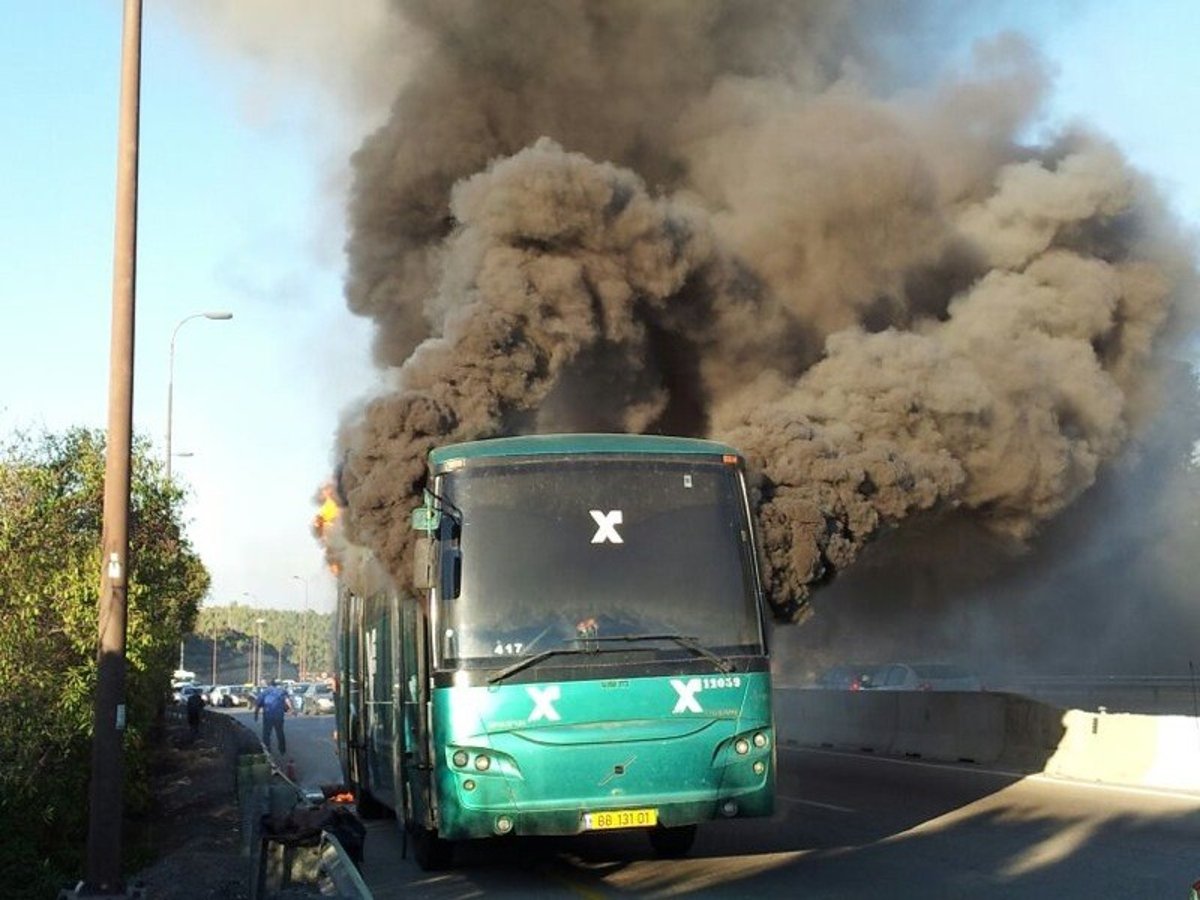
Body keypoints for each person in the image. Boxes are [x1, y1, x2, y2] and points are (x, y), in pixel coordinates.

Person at [254, 679, 292, 754]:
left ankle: (267, 750)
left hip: (268, 716)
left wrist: (256, 715)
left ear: (271, 684)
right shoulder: (282, 691)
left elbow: (258, 704)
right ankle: (282, 749)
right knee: (280, 732)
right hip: (279, 716)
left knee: (266, 734)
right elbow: (287, 701)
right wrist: (291, 709)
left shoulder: (265, 692)